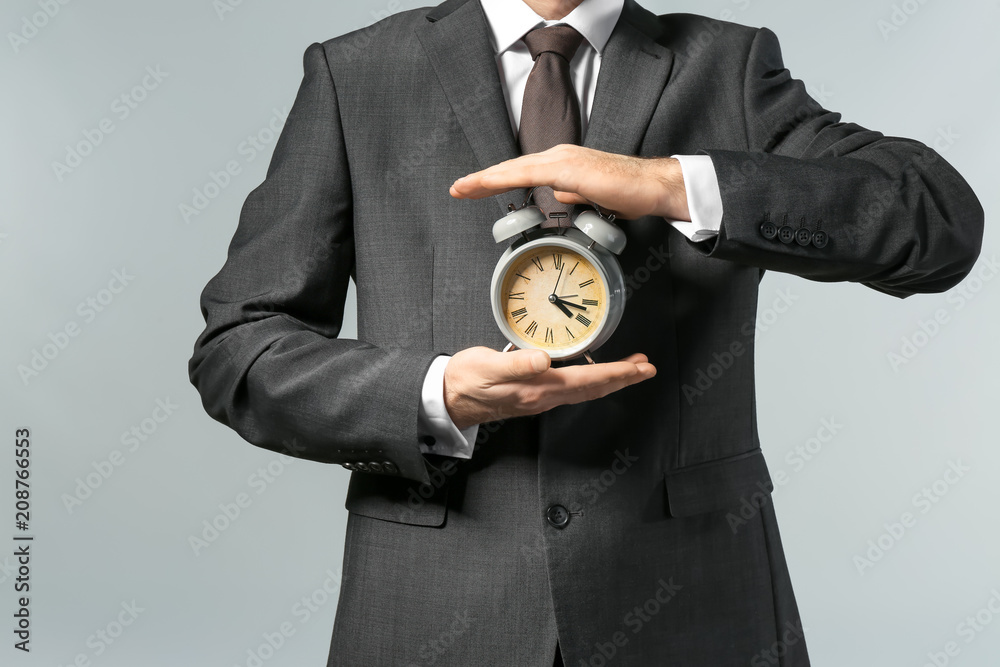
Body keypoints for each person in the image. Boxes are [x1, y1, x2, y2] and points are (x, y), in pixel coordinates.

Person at [188, 0, 984, 664]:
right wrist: (435, 395)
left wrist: (673, 184)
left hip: (696, 608)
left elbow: (938, 222)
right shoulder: (360, 72)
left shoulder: (727, 66)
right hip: (431, 608)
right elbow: (240, 349)